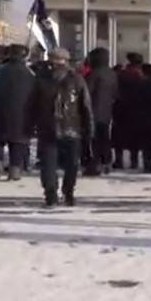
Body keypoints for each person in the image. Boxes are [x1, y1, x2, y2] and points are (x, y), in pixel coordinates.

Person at [28, 48, 93, 207]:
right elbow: (85, 106)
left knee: (51, 164)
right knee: (69, 165)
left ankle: (53, 195)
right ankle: (65, 193)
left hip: (50, 127)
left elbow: (31, 106)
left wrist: (29, 126)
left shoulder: (41, 79)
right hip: (71, 127)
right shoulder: (76, 79)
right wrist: (88, 127)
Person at [0, 44, 35, 180]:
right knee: (18, 141)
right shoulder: (29, 74)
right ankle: (15, 169)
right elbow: (35, 94)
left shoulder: (0, 72)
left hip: (0, 111)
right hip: (22, 113)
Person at [83, 48, 117, 176]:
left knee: (94, 139)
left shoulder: (94, 74)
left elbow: (87, 91)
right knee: (105, 137)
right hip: (107, 110)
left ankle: (95, 164)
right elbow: (115, 93)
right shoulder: (112, 74)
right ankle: (107, 161)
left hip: (93, 110)